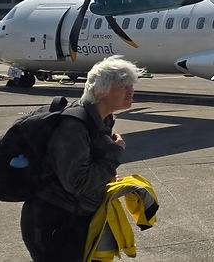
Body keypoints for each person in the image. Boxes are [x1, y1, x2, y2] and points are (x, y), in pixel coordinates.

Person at [21, 55, 143, 261]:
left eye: (131, 85)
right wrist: (114, 154)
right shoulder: (73, 127)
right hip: (54, 224)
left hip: (77, 217)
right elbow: (78, 183)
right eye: (123, 86)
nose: (131, 91)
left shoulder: (102, 119)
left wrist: (107, 178)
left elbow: (85, 169)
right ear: (100, 91)